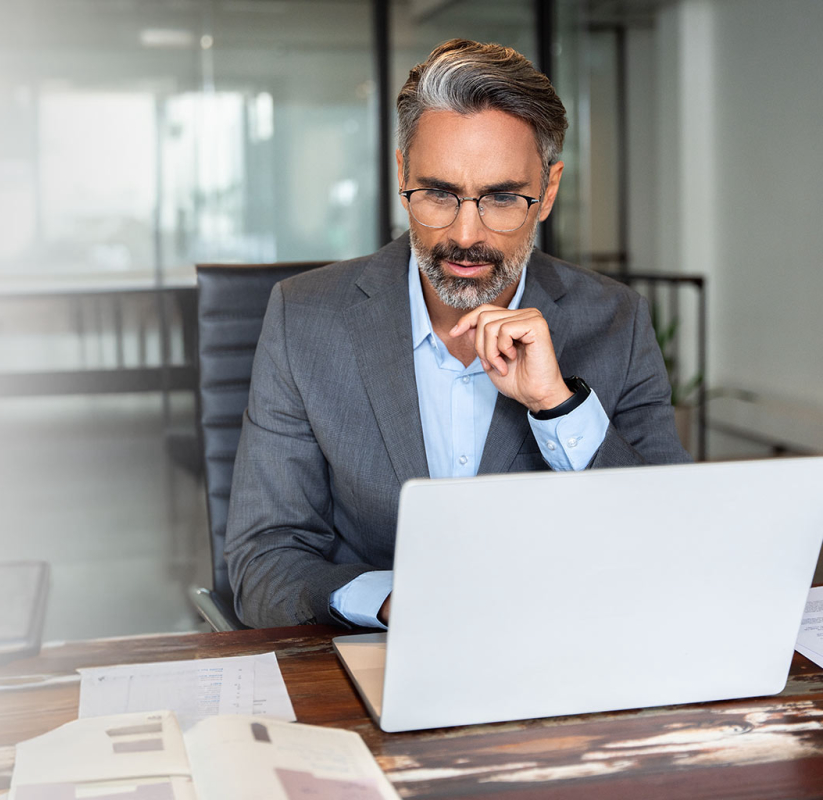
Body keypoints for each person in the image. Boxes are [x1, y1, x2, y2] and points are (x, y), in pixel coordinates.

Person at [224, 39, 691, 630]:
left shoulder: (616, 320)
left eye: (501, 197)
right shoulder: (304, 318)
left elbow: (670, 545)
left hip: (559, 653)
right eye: (440, 193)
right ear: (401, 175)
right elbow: (263, 562)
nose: (465, 235)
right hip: (377, 662)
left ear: (546, 191)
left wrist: (558, 406)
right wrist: (395, 602)